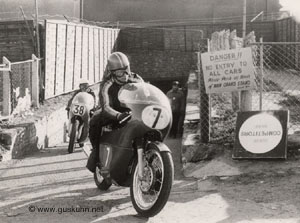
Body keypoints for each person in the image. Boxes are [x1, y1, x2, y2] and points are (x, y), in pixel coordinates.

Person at [86, 51, 143, 173]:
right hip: (114, 112)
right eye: (119, 72)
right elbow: (105, 106)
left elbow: (148, 93)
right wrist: (118, 115)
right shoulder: (106, 84)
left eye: (126, 70)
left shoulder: (137, 79)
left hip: (133, 111)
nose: (124, 75)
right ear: (113, 73)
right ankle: (96, 156)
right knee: (95, 120)